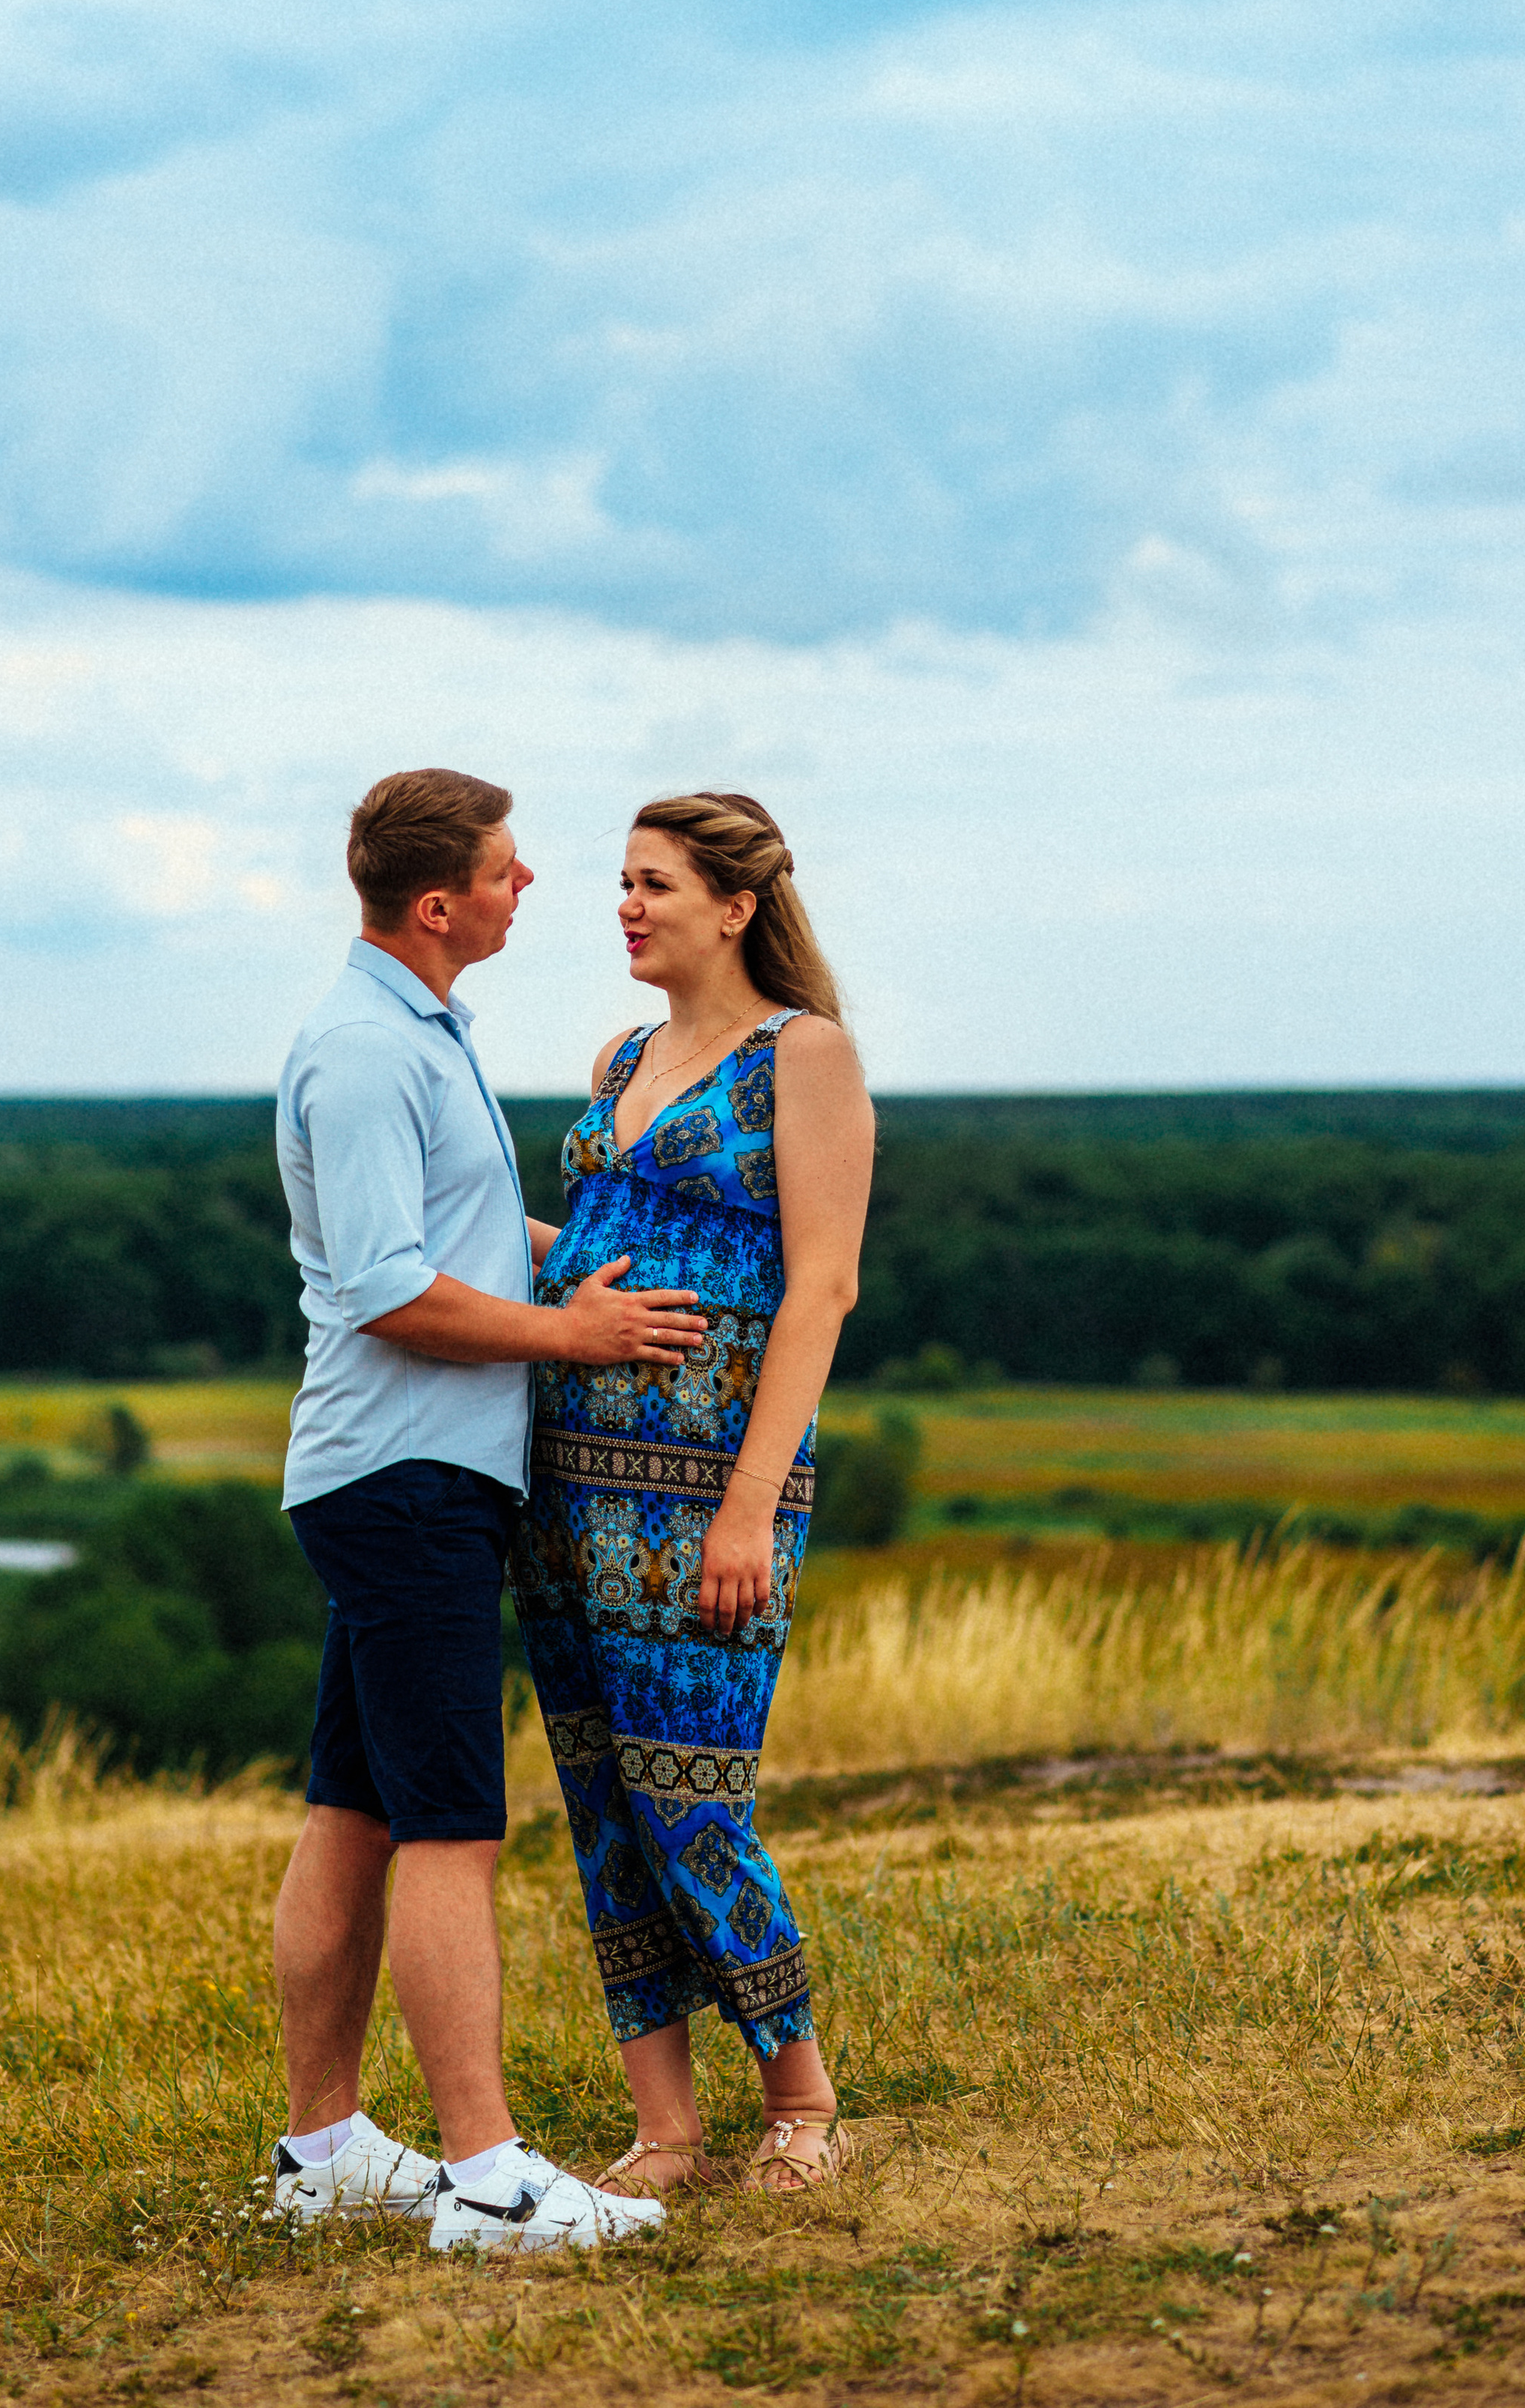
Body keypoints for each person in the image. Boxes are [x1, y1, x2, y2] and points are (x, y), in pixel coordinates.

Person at [267, 766, 716, 2255]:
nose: (536, 887)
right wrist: (574, 1339)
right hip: (404, 1478)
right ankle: (489, 2179)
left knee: (353, 1813)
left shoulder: (416, 1028)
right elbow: (391, 1289)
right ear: (439, 900)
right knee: (450, 1826)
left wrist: (573, 1264)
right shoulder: (360, 1051)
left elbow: (451, 1236)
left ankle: (323, 2151)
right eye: (511, 870)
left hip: (410, 1477)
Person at [511, 791, 874, 2197]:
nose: (627, 905)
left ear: (735, 905)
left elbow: (823, 1284)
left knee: (692, 1787)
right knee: (602, 1791)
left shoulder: (803, 1057)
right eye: (620, 883)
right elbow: (586, 1245)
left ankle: (801, 2093)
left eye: (654, 883)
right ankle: (665, 2125)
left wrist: (746, 1505)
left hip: (710, 1488)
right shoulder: (617, 1058)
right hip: (565, 1473)